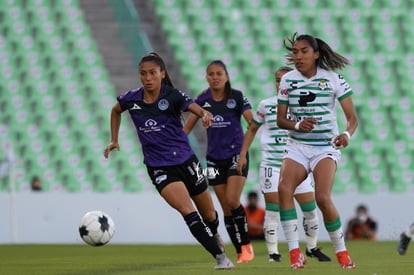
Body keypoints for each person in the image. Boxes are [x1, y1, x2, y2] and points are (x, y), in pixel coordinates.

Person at [104, 53, 234, 270]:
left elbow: (193, 106)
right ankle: (220, 258)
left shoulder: (171, 96)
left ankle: (214, 234)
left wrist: (204, 114)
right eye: (143, 74)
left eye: (153, 73)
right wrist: (114, 139)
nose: (148, 78)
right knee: (188, 211)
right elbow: (115, 110)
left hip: (186, 161)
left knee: (210, 215)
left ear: (162, 74)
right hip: (159, 167)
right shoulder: (132, 99)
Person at [276, 33, 358, 269]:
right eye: (295, 52)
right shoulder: (287, 80)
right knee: (284, 189)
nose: (298, 56)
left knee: (322, 197)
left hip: (325, 147)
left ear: (316, 54)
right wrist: (298, 125)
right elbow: (281, 120)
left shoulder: (333, 79)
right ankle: (294, 254)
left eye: (303, 51)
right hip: (297, 146)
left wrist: (346, 134)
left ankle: (342, 254)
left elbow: (352, 118)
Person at [237, 66, 331, 263]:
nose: (280, 83)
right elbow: (252, 129)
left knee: (310, 209)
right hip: (272, 164)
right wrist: (243, 153)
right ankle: (273, 253)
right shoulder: (266, 105)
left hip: (297, 164)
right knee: (273, 209)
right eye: (277, 79)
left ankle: (312, 248)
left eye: (284, 79)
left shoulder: (303, 106)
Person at [183, 60, 255, 263]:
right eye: (211, 74)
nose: (215, 77)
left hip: (236, 156)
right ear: (206, 77)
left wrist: (243, 153)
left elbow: (252, 123)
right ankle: (240, 252)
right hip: (214, 159)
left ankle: (247, 245)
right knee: (225, 208)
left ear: (227, 76)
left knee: (233, 200)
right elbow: (186, 128)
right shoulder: (203, 100)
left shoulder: (237, 97)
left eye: (219, 74)